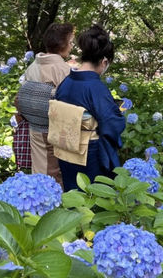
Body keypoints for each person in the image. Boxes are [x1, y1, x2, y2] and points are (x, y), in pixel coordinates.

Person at [53, 24, 126, 191]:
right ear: (104, 61)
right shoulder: (95, 87)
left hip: (65, 151)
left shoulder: (66, 82)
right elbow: (112, 124)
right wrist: (118, 114)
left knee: (73, 194)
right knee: (93, 197)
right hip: (89, 155)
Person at [16, 23, 75, 186]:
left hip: (33, 126)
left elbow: (20, 97)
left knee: (39, 169)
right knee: (54, 175)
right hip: (53, 129)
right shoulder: (62, 70)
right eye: (70, 42)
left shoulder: (33, 66)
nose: (71, 47)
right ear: (62, 44)